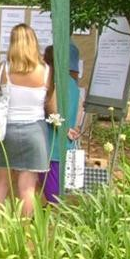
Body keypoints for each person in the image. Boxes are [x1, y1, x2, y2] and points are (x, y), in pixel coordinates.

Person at [0, 23, 55, 217]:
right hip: (35, 130)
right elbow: (51, 106)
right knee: (28, 185)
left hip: (7, 129)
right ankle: (25, 232)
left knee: (2, 180)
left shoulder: (3, 68)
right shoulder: (46, 70)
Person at [40, 43, 82, 203]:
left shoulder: (53, 82)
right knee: (58, 186)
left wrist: (61, 127)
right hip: (67, 143)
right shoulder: (72, 83)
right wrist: (73, 129)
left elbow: (51, 107)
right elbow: (79, 110)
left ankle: (54, 220)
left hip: (52, 144)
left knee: (52, 192)